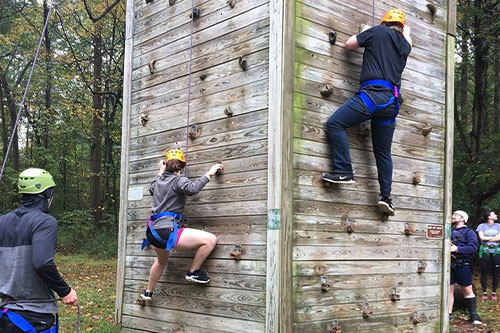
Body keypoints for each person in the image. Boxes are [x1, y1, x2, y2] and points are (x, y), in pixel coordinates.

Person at [322, 9, 412, 216]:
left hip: (374, 95)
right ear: (401, 27)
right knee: (383, 152)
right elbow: (409, 42)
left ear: (384, 23)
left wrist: (365, 31)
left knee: (335, 124)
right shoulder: (404, 45)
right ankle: (386, 198)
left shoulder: (377, 32)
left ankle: (344, 172)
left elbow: (350, 44)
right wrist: (407, 31)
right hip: (392, 103)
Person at [0, 168, 78, 333]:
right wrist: (65, 291)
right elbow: (42, 262)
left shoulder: (2, 222)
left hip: (6, 316)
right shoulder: (45, 222)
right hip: (35, 319)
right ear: (47, 194)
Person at [140, 148, 223, 301]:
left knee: (161, 261)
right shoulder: (179, 179)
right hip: (167, 231)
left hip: (152, 233)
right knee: (210, 240)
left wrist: (160, 170)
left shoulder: (158, 180)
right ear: (181, 166)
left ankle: (148, 292)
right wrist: (210, 172)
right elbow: (193, 189)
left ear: (166, 165)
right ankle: (193, 271)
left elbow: (152, 188)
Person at [449, 210, 482, 325]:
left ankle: (473, 315)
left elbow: (473, 248)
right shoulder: (449, 231)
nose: (453, 216)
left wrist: (456, 249)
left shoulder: (469, 232)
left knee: (467, 290)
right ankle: (448, 314)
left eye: (456, 215)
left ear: (462, 218)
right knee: (449, 290)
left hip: (463, 265)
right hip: (449, 265)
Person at [476, 210, 500, 301]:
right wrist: (495, 238)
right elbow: (481, 237)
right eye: (494, 214)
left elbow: (499, 237)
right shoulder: (481, 226)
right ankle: (484, 292)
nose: (496, 215)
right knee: (484, 271)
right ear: (489, 217)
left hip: (496, 251)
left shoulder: (498, 226)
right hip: (485, 250)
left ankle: (494, 292)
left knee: (495, 272)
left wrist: (487, 239)